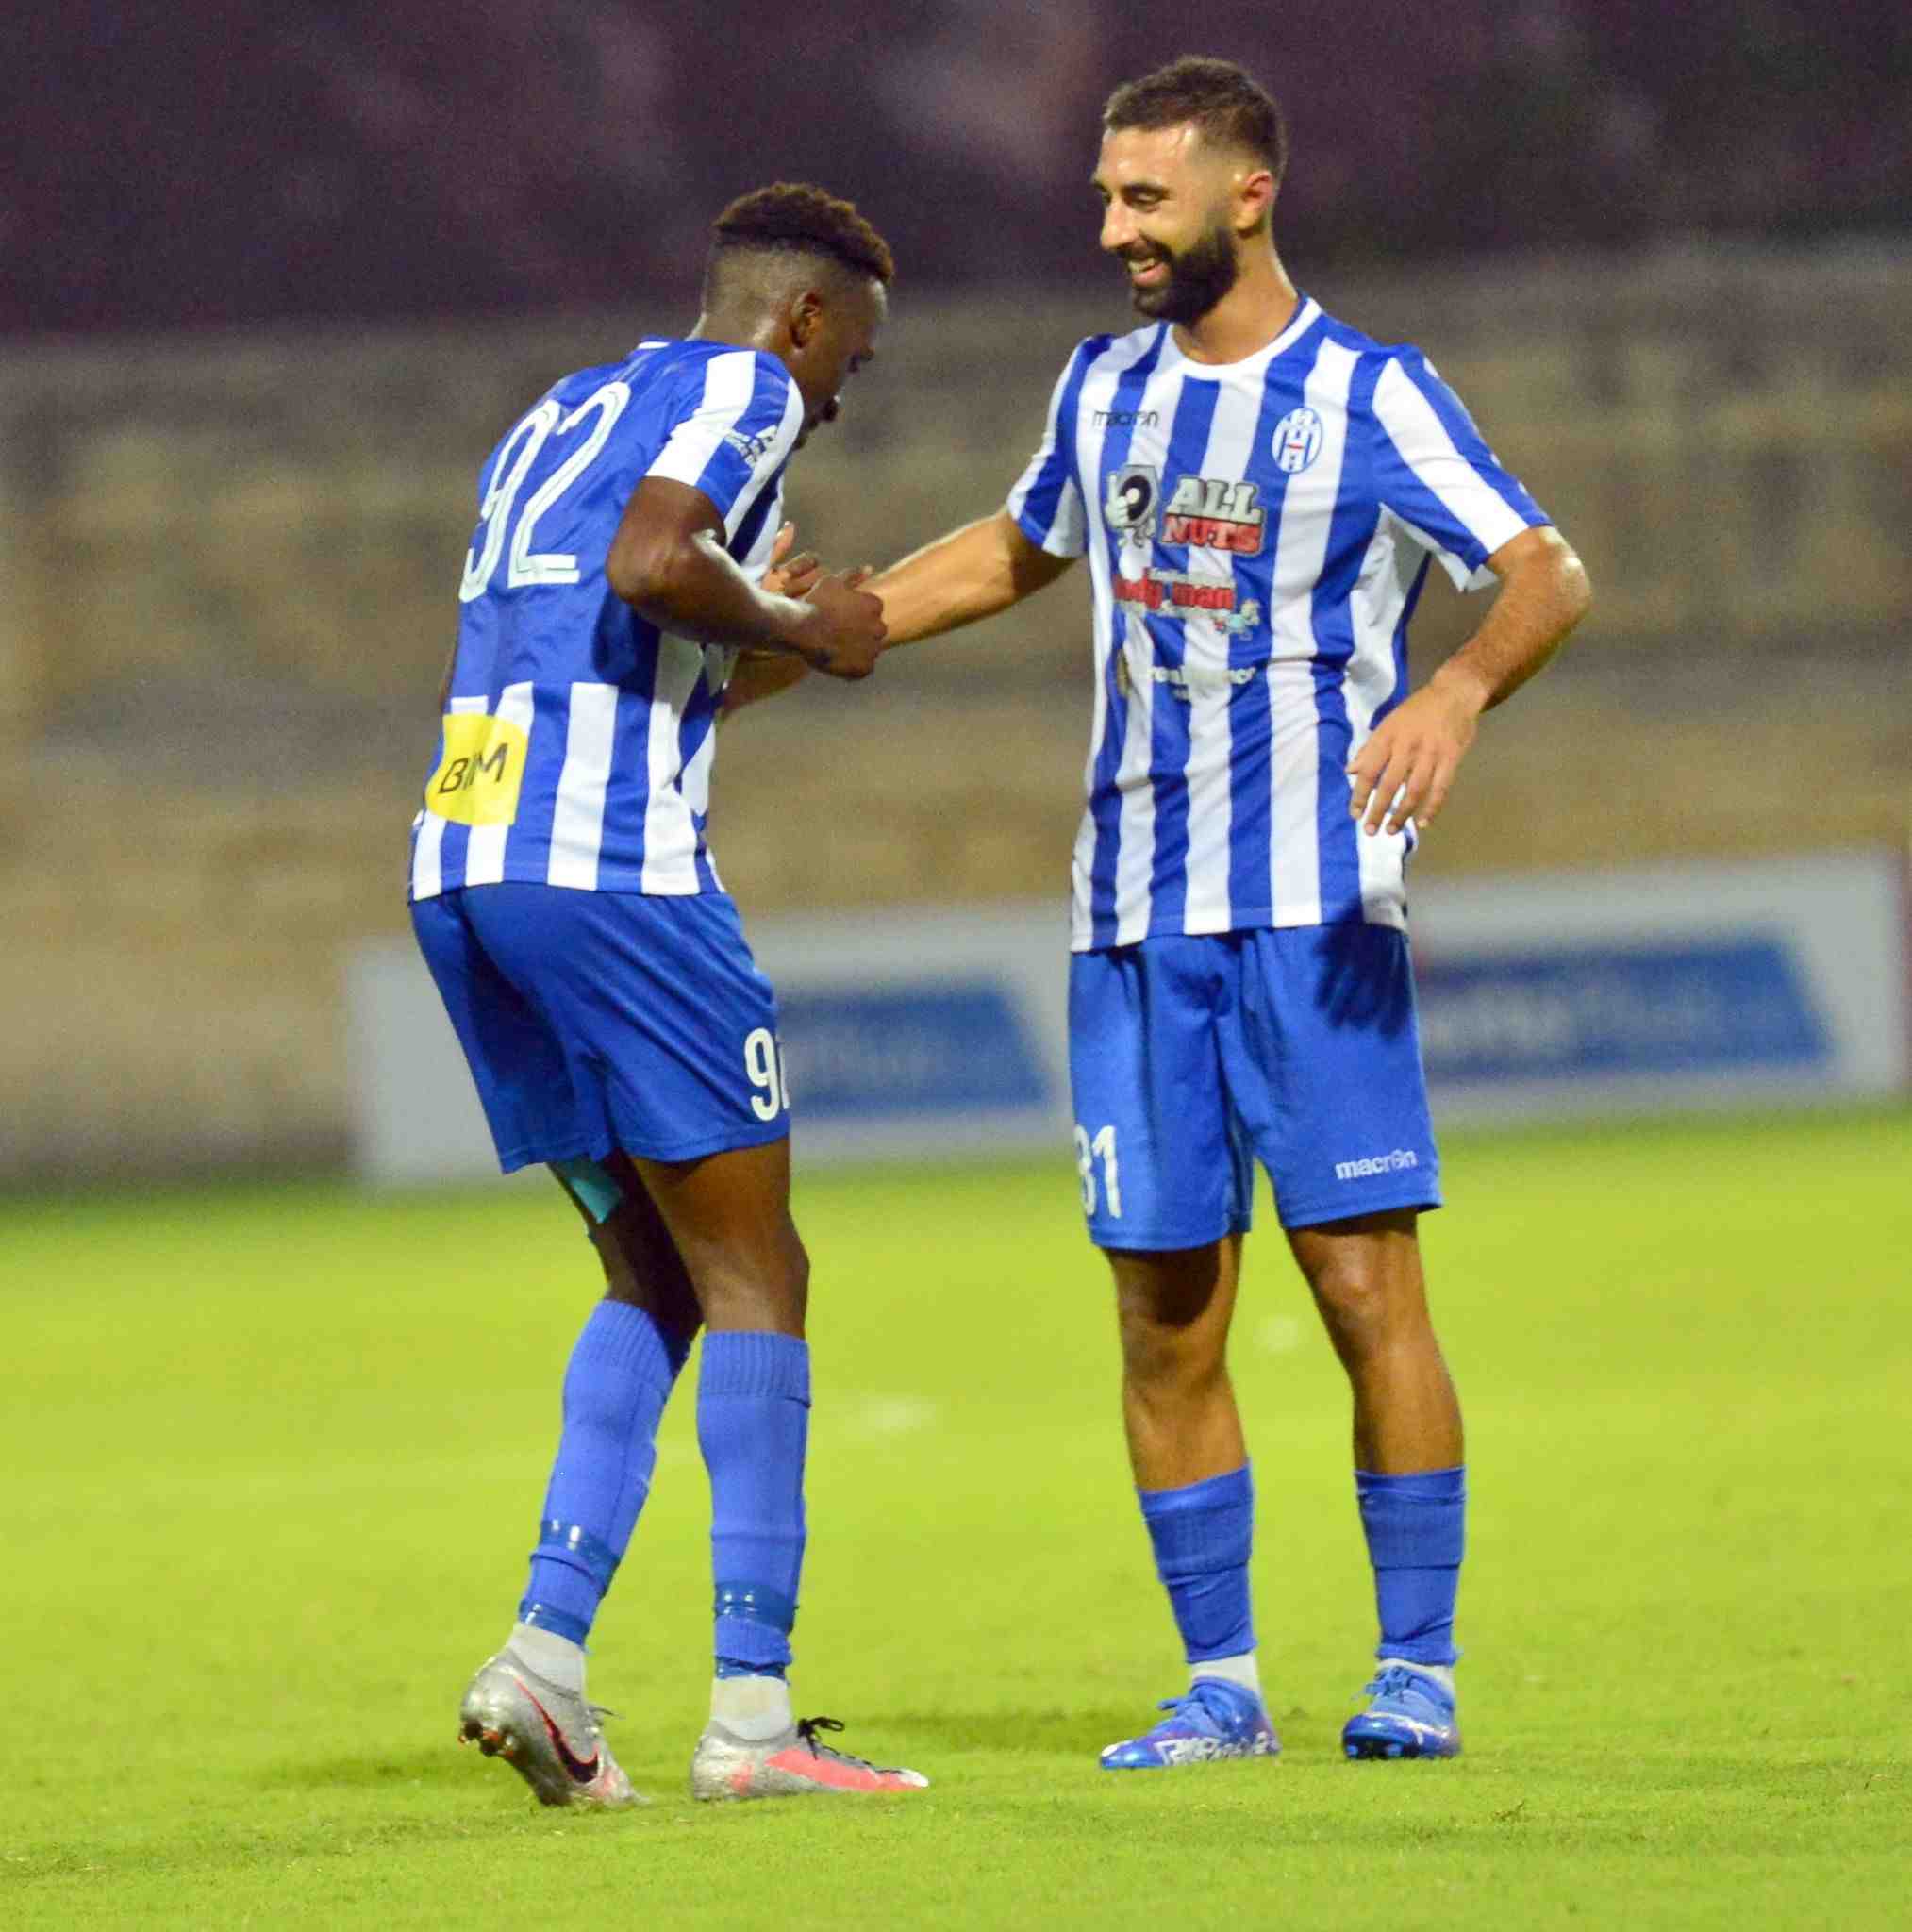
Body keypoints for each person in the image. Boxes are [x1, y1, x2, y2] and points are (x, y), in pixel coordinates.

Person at [866, 58, 1591, 1765]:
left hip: (1315, 912)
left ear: (1248, 194)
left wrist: (1457, 694)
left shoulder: (1369, 392)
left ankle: (1418, 1665)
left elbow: (1544, 567)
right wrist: (827, 631)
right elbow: (1015, 548)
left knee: (1357, 1284)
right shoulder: (1103, 387)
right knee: (1162, 1307)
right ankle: (1225, 1688)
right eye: (1108, 196)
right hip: (1127, 916)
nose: (1112, 227)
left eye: (1144, 198)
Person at [408, 182, 927, 1807]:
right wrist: (803, 619)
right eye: (852, 355)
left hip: (465, 869)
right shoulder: (746, 389)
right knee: (758, 1264)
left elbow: (605, 630)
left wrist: (784, 634)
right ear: (802, 319)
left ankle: (545, 1665)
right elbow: (653, 569)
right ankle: (754, 1725)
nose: (841, 395)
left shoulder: (561, 410)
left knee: (653, 1267)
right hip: (615, 878)